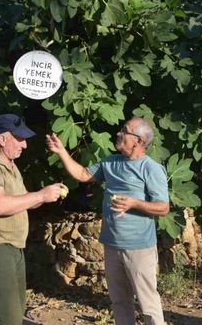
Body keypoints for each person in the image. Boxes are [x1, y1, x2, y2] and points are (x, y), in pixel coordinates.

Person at [46, 117, 170, 325]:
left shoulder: (151, 168)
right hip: (111, 244)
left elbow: (163, 207)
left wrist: (133, 203)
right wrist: (61, 152)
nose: (118, 133)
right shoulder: (110, 162)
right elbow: (83, 174)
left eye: (124, 130)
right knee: (119, 301)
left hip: (139, 247)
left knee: (147, 302)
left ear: (138, 141)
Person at [0, 114, 68, 325]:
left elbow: (23, 201)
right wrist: (40, 195)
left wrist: (49, 194)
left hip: (12, 247)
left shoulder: (11, 166)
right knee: (8, 318)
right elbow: (0, 205)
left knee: (15, 312)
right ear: (2, 139)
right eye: (19, 138)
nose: (24, 144)